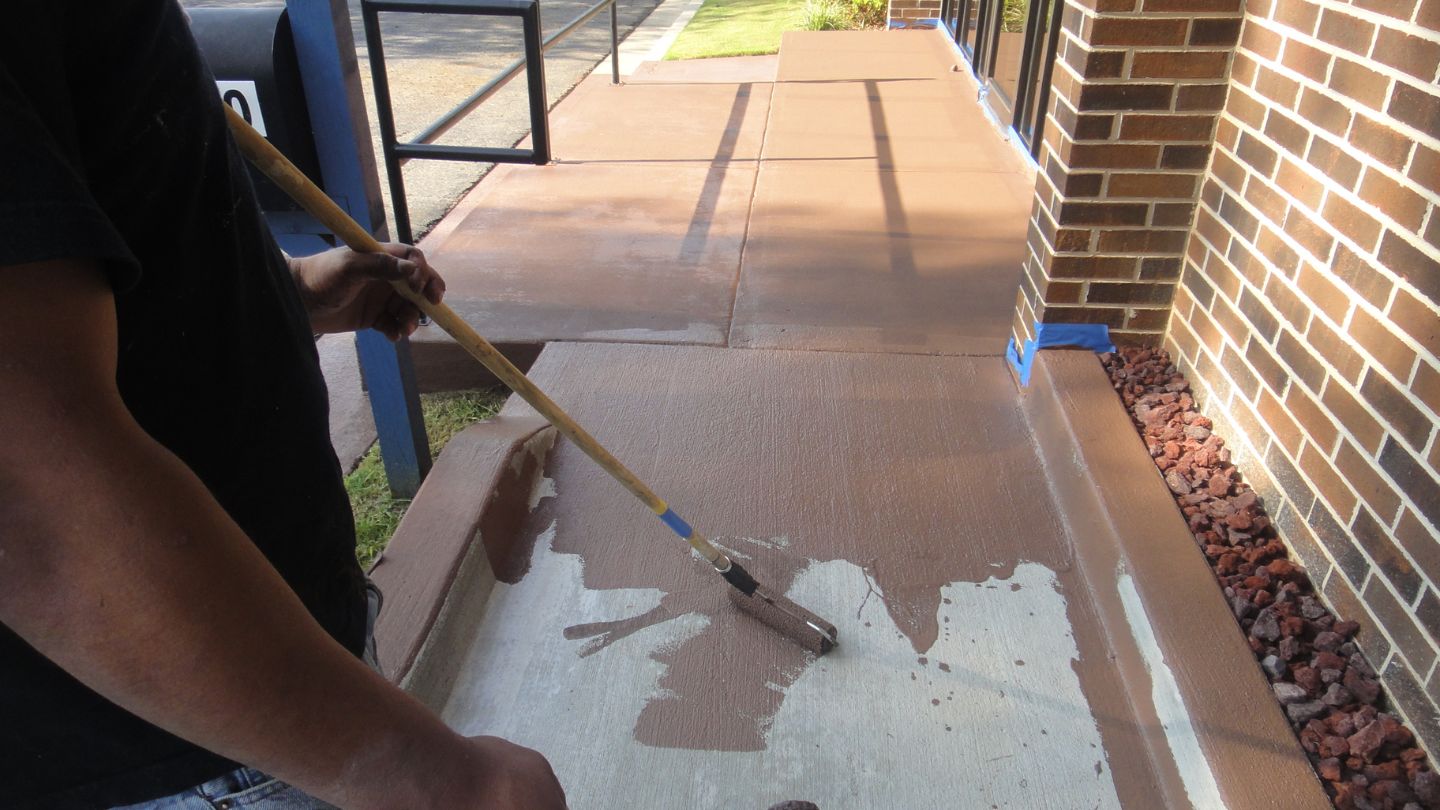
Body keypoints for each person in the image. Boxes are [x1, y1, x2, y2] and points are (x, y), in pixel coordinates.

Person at [0, 2, 568, 808]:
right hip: (193, 743)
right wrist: (436, 782)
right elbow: (29, 502)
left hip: (261, 664)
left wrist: (289, 291)